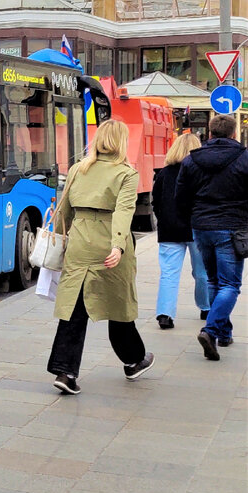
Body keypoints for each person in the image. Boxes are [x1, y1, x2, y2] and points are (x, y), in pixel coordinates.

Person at [47, 119, 153, 395]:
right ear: (121, 142)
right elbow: (123, 211)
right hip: (108, 242)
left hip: (80, 242)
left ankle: (65, 371)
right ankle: (133, 360)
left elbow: (64, 211)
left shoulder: (77, 169)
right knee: (118, 305)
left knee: (74, 308)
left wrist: (59, 242)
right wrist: (118, 246)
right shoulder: (126, 173)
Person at [176, 114, 248, 361]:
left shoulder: (191, 160)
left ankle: (223, 333)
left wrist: (193, 217)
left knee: (213, 281)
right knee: (230, 285)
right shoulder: (245, 158)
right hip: (231, 226)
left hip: (202, 227)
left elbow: (181, 196)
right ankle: (210, 330)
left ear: (209, 133)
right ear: (233, 133)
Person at [152, 132, 210, 329]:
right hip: (197, 229)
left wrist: (164, 219)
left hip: (169, 230)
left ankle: (165, 315)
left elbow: (156, 202)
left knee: (169, 272)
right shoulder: (201, 172)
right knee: (202, 272)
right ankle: (206, 307)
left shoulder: (164, 173)